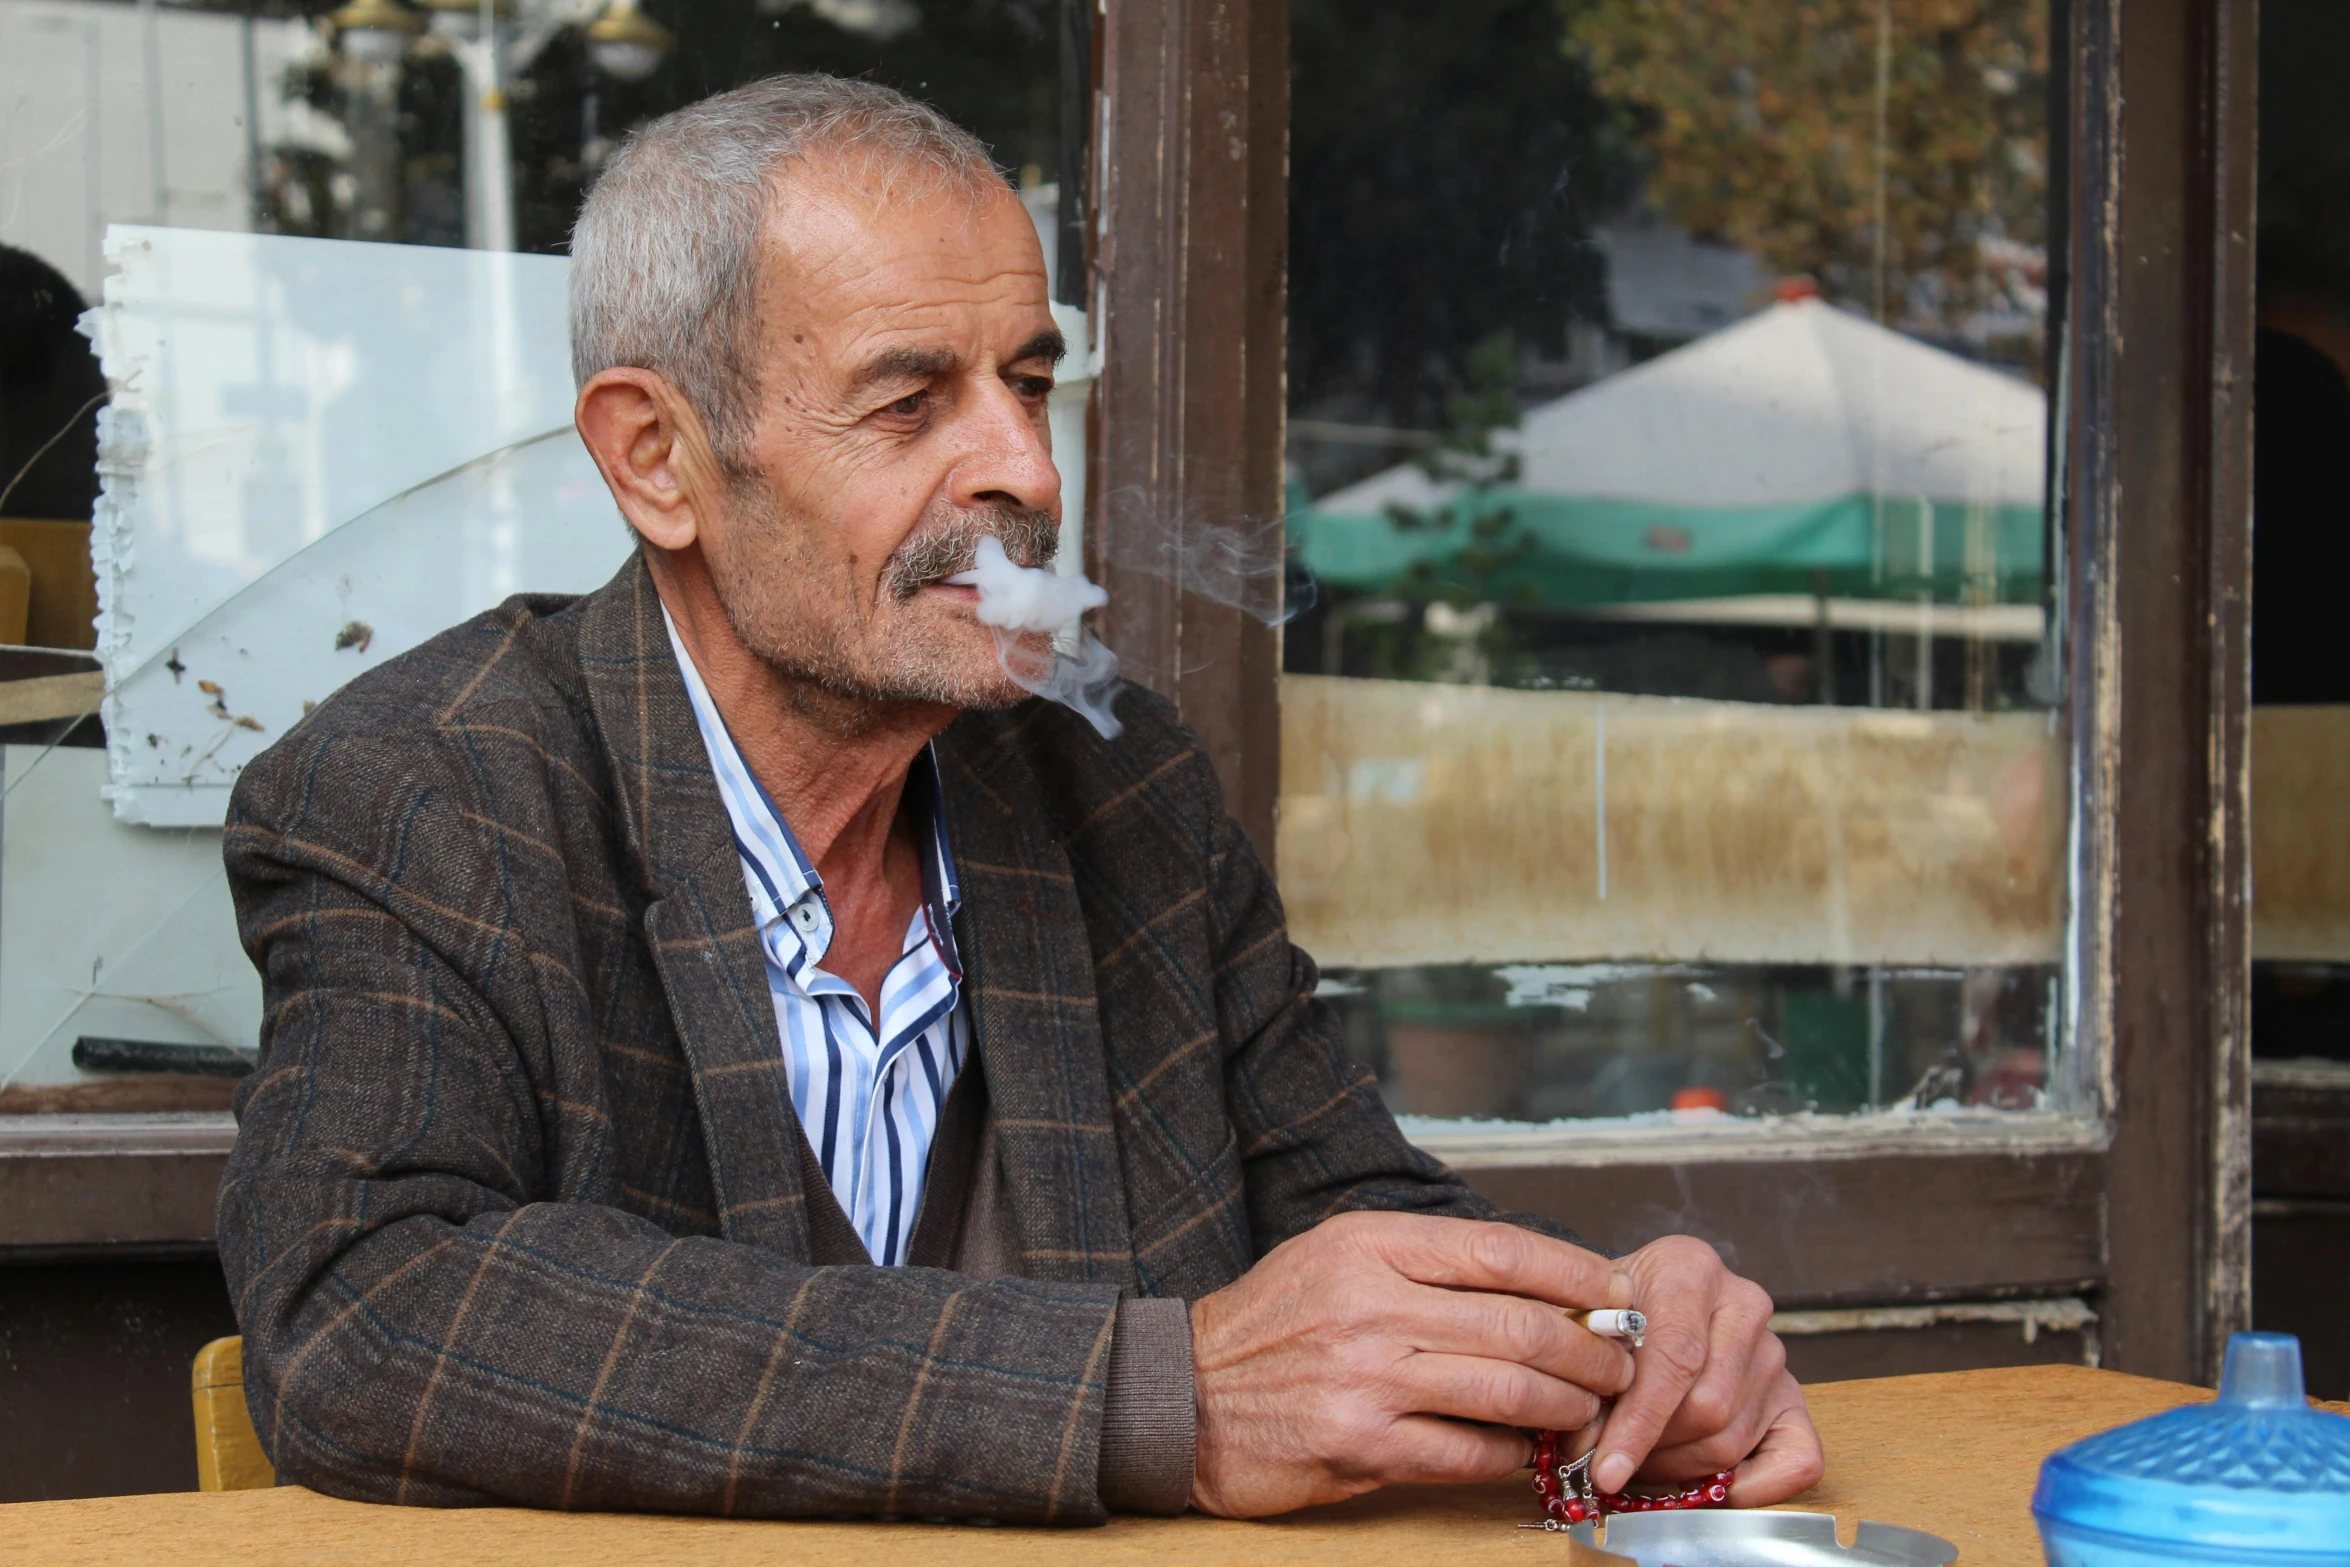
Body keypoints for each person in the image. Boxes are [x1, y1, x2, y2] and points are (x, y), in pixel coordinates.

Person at [216, 74, 1820, 1524]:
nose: (1027, 474)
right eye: (911, 403)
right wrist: (1157, 1396)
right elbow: (367, 1311)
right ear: (658, 458)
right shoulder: (425, 786)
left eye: (1031, 382)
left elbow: (1353, 1222)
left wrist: (1614, 1334)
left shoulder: (1113, 783)